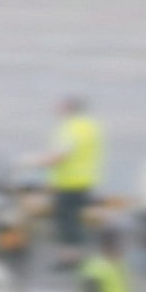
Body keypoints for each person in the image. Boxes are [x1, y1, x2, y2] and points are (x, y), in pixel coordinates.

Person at [36, 95, 102, 270]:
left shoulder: (71, 128)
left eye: (60, 107)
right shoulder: (89, 126)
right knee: (74, 220)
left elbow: (59, 156)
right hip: (84, 180)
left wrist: (33, 162)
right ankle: (76, 256)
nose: (56, 111)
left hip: (69, 183)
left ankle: (70, 259)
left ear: (69, 109)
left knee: (66, 222)